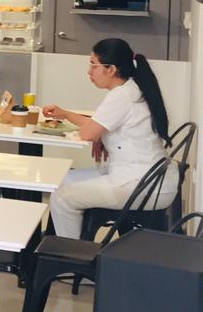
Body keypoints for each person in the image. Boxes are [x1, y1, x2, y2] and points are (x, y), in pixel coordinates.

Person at [42, 38, 176, 239]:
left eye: (93, 65)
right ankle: (59, 241)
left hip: (139, 185)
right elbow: (98, 125)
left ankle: (70, 252)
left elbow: (88, 133)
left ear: (111, 69)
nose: (89, 71)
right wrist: (67, 114)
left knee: (62, 197)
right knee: (63, 180)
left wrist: (97, 136)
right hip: (149, 179)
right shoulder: (132, 88)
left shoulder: (122, 96)